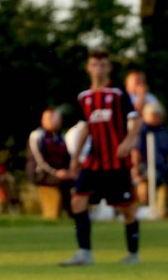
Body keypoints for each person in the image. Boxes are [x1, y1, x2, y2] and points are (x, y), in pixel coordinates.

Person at [60, 50, 142, 266]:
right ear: (89, 67)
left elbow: (134, 120)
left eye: (103, 65)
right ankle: (85, 253)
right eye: (95, 64)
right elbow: (85, 127)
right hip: (94, 160)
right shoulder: (84, 97)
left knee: (126, 209)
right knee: (78, 201)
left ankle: (133, 254)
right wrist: (76, 156)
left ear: (108, 68)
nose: (99, 69)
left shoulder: (118, 93)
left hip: (116, 161)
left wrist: (127, 141)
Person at [131, 101, 168, 217]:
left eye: (158, 115)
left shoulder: (162, 130)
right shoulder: (140, 131)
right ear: (145, 116)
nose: (157, 118)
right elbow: (135, 152)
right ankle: (149, 207)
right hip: (145, 166)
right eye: (154, 115)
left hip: (161, 166)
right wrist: (136, 171)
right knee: (156, 178)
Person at [26, 107, 73, 217]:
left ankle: (73, 214)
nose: (52, 120)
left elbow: (67, 158)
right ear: (42, 121)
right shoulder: (37, 135)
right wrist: (56, 172)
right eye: (49, 118)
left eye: (54, 118)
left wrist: (69, 171)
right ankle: (61, 214)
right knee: (62, 182)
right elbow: (40, 161)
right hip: (41, 173)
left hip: (58, 173)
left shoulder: (61, 137)